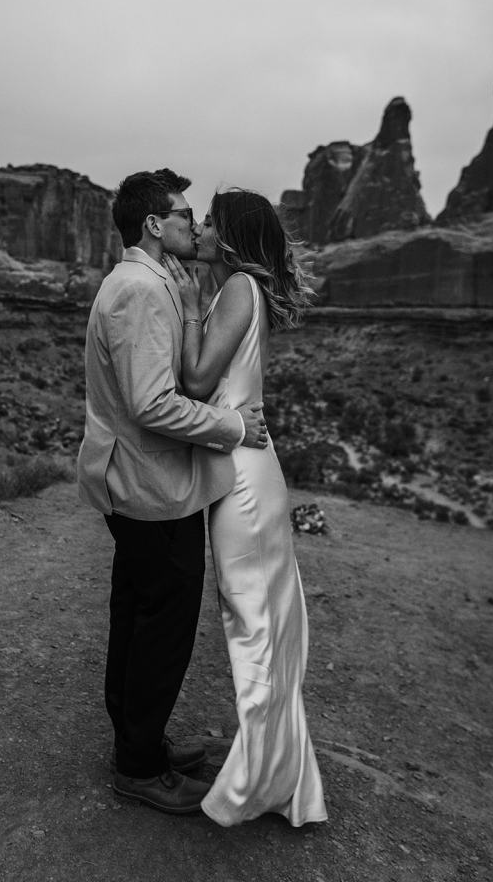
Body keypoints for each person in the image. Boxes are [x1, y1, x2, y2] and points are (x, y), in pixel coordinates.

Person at [77, 169, 268, 816]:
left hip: (139, 481)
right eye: (185, 214)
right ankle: (139, 768)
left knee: (136, 615)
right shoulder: (139, 289)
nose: (195, 222)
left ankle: (138, 743)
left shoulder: (146, 281)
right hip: (151, 487)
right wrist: (233, 427)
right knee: (161, 628)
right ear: (155, 224)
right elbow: (152, 404)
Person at [164, 188, 328, 828]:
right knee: (256, 619)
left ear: (229, 236)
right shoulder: (235, 289)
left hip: (244, 482)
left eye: (209, 220)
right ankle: (276, 771)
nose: (199, 228)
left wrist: (185, 309)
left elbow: (196, 382)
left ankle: (255, 782)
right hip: (242, 465)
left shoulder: (236, 289)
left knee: (252, 621)